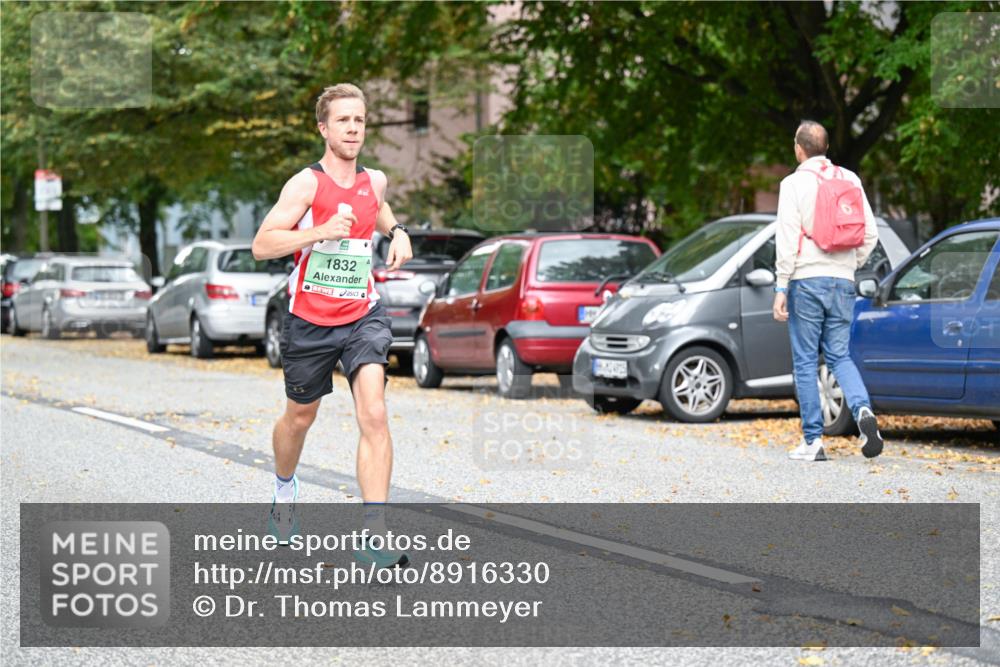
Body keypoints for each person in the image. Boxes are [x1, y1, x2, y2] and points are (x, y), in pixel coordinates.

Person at [252, 83, 413, 566]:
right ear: (324, 128)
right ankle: (284, 489)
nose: (353, 128)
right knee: (300, 417)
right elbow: (263, 244)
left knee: (375, 413)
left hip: (362, 314)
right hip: (309, 319)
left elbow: (377, 207)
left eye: (360, 120)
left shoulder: (375, 180)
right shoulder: (306, 184)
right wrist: (318, 231)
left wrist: (397, 231)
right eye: (343, 120)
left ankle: (374, 535)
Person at [772, 120, 884, 462]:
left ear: (798, 147)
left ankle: (813, 441)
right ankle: (864, 412)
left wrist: (781, 286)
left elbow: (788, 238)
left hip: (806, 280)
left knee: (805, 360)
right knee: (839, 355)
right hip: (843, 281)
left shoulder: (793, 184)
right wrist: (849, 265)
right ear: (826, 148)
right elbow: (871, 234)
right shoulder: (850, 179)